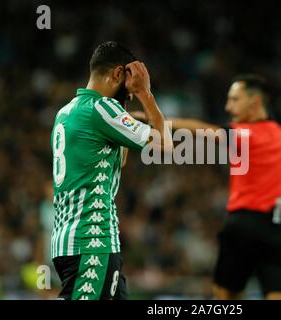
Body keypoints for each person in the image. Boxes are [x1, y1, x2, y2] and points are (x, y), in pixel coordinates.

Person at [134, 74, 281, 299]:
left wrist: (150, 119)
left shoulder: (245, 134)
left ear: (255, 101)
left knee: (225, 298)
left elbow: (198, 129)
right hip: (279, 228)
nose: (228, 106)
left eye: (234, 99)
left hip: (243, 225)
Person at [50, 41, 172, 300]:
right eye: (127, 85)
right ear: (118, 74)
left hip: (67, 242)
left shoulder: (65, 112)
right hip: (92, 242)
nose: (129, 94)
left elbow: (121, 158)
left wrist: (126, 105)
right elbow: (165, 144)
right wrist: (145, 93)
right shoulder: (101, 108)